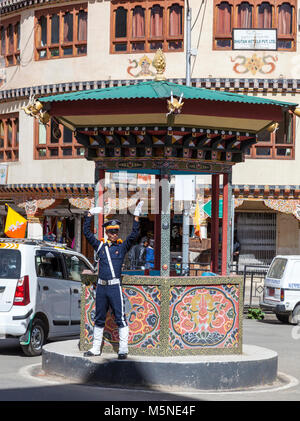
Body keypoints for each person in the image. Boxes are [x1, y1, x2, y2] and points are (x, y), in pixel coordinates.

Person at [83, 200, 144, 359]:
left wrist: (136, 217)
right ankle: (96, 348)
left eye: (116, 231)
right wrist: (89, 215)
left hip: (115, 286)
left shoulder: (121, 247)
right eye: (111, 232)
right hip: (102, 287)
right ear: (107, 233)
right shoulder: (100, 246)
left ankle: (123, 349)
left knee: (120, 317)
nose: (114, 234)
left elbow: (133, 235)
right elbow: (87, 234)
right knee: (99, 317)